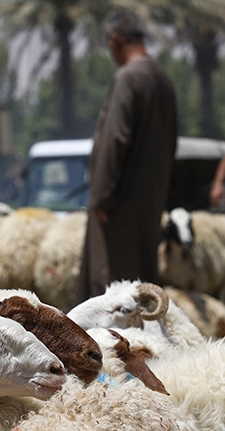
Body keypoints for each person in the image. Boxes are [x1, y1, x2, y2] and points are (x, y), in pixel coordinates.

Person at [74, 11, 177, 305]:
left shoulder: (129, 77)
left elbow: (114, 138)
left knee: (111, 290)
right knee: (144, 285)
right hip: (149, 203)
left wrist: (102, 196)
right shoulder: (162, 79)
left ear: (116, 40)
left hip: (120, 206)